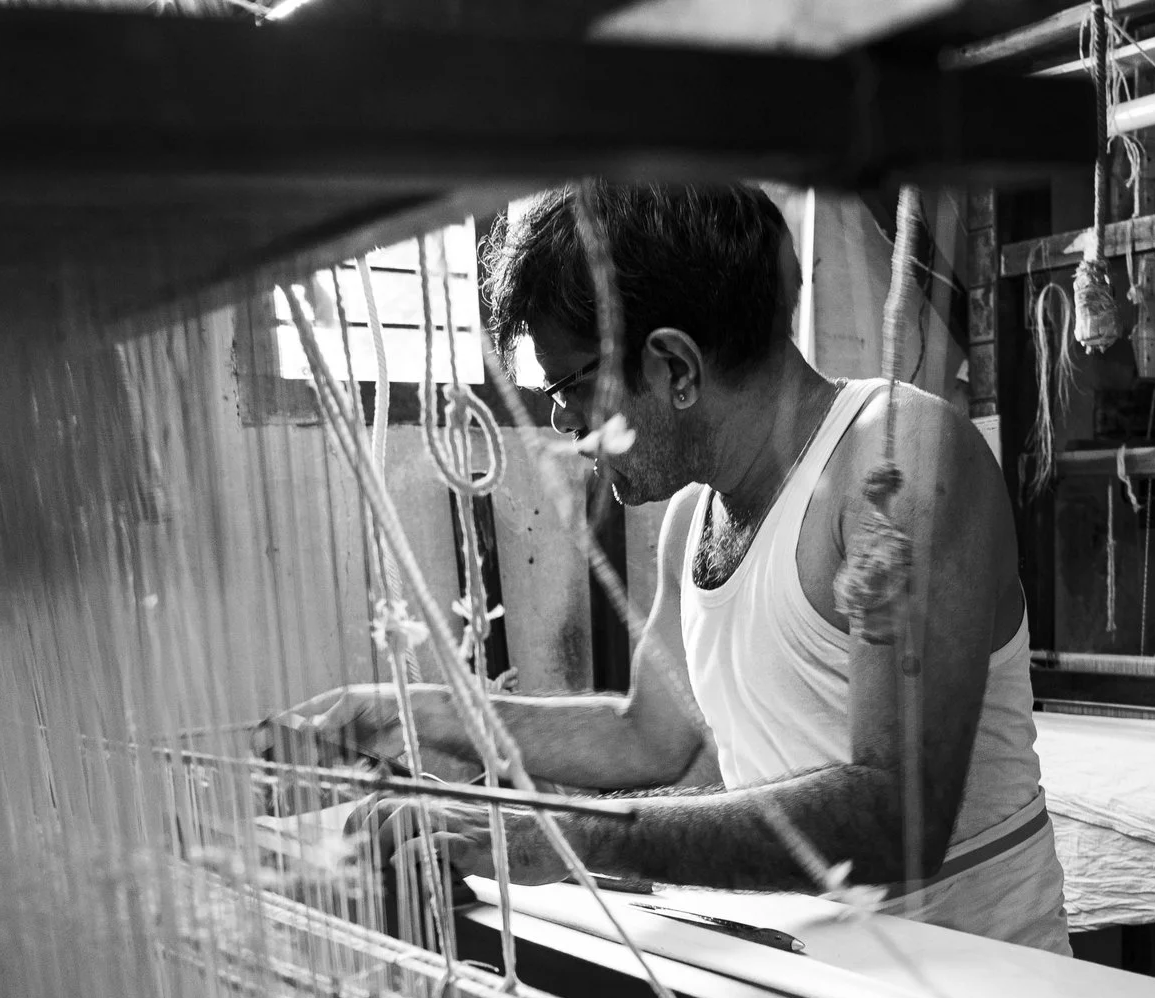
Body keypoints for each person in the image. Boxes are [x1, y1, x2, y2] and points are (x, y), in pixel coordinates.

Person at [261, 182, 1070, 955]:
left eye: (572, 387)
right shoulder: (692, 520)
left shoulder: (897, 468)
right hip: (815, 975)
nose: (565, 424)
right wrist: (412, 713)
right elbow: (646, 735)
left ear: (675, 366)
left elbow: (898, 816)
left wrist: (571, 836)